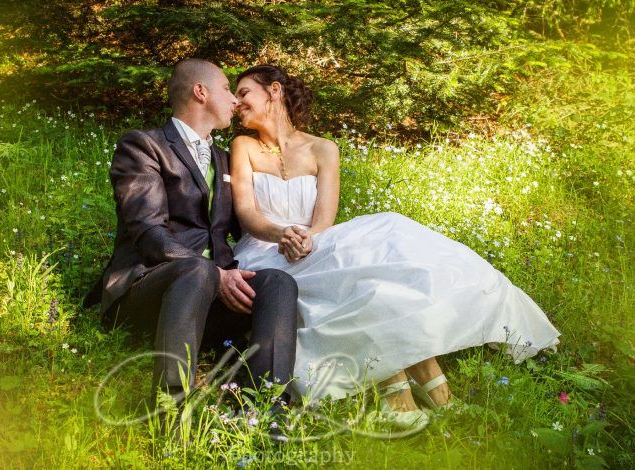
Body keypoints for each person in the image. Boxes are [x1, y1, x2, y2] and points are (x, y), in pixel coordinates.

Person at [230, 65, 560, 433]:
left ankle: (414, 389)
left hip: (313, 244)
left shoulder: (324, 149)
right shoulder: (242, 146)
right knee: (357, 273)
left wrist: (307, 238)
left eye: (244, 92)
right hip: (266, 250)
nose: (236, 102)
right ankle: (412, 393)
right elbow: (246, 214)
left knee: (383, 246)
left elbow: (324, 219)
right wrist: (283, 234)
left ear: (273, 91)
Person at [91, 59, 299, 404]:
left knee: (277, 282)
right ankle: (172, 408)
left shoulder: (223, 157)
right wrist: (216, 274)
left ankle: (265, 406)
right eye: (226, 89)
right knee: (197, 269)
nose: (235, 100)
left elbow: (243, 222)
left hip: (209, 303)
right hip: (149, 290)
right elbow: (147, 232)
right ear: (200, 92)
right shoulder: (143, 146)